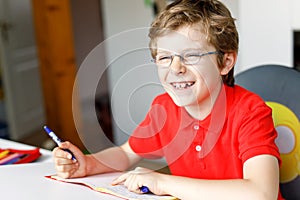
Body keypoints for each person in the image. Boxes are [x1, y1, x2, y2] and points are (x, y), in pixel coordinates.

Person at [53, 0, 283, 199]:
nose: (176, 68)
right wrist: (86, 164)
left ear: (225, 62)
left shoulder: (250, 112)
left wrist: (162, 183)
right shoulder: (163, 108)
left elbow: (261, 194)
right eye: (164, 57)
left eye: (191, 55)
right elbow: (126, 153)